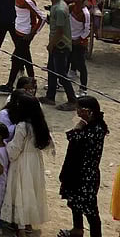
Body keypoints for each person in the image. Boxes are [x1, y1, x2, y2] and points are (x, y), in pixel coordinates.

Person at [0, 94, 53, 233]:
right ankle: (28, 223)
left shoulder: (22, 126)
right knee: (31, 190)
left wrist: (5, 148)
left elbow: (15, 148)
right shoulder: (40, 124)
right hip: (35, 161)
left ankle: (20, 225)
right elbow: (48, 145)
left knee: (19, 191)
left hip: (22, 162)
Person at [59, 95, 108, 237]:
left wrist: (77, 128)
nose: (77, 111)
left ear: (89, 111)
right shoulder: (89, 125)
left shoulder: (96, 130)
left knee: (91, 210)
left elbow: (74, 138)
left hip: (86, 176)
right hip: (76, 172)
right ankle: (77, 230)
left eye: (80, 109)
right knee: (74, 203)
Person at [41, 0, 78, 110]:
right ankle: (50, 96)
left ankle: (72, 100)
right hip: (57, 44)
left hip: (60, 45)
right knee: (51, 70)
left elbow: (60, 31)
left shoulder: (60, 9)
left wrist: (51, 44)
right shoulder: (57, 6)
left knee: (62, 75)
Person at [2, 0, 45, 93]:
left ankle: (11, 84)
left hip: (25, 35)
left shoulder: (27, 0)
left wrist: (32, 34)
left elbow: (42, 17)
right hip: (19, 32)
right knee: (25, 59)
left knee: (17, 60)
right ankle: (30, 83)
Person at [69, 0, 91, 91]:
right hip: (69, 40)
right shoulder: (71, 7)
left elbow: (87, 30)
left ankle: (83, 89)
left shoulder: (85, 13)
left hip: (79, 43)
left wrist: (79, 40)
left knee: (81, 66)